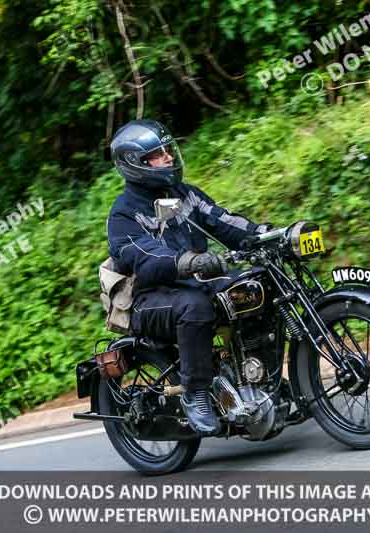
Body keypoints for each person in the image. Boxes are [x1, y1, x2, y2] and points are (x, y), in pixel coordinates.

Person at [106, 119, 272, 436]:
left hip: (195, 283)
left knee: (254, 283)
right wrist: (187, 261)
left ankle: (260, 375)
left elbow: (223, 221)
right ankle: (196, 395)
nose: (168, 157)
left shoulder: (184, 195)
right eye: (157, 154)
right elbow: (145, 257)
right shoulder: (123, 214)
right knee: (194, 307)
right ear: (135, 163)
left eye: (168, 150)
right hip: (148, 300)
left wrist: (266, 235)